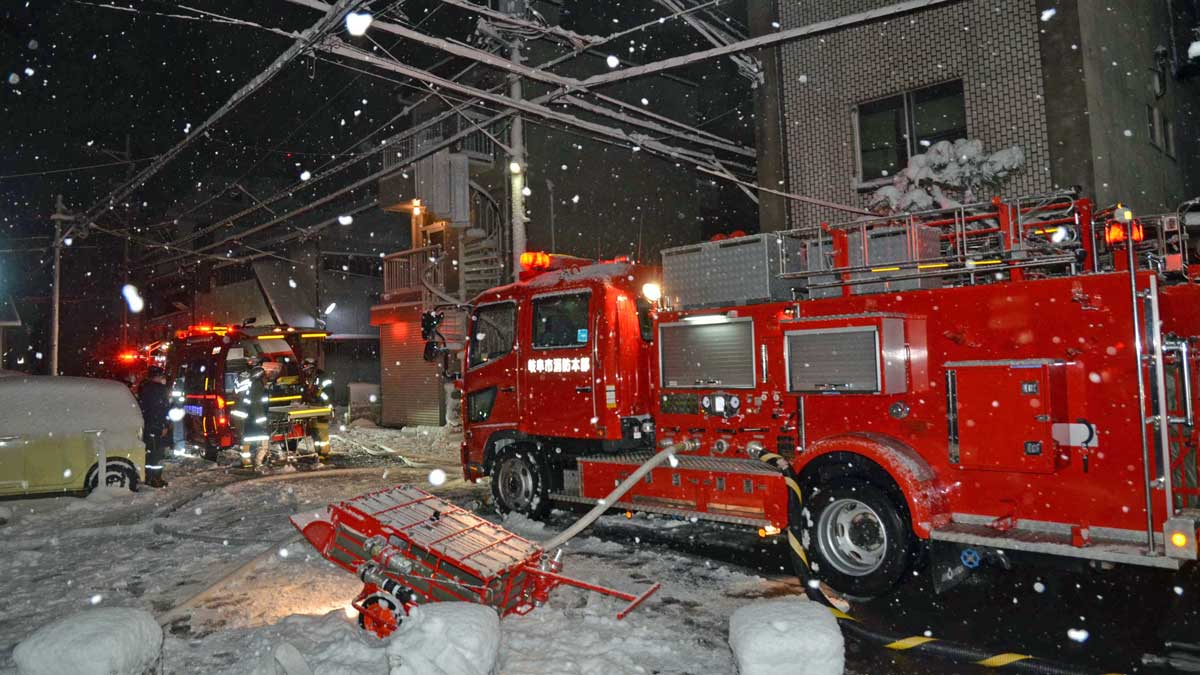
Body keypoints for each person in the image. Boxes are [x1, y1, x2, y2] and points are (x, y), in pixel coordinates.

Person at [232, 356, 272, 471]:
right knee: (261, 436)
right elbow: (256, 403)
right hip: (249, 413)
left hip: (239, 412)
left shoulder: (243, 376)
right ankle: (259, 460)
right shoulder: (256, 384)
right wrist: (262, 421)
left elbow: (237, 395)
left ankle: (246, 461)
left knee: (245, 438)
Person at [137, 366, 171, 488]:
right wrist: (164, 425)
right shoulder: (160, 390)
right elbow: (163, 409)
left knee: (149, 452)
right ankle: (156, 478)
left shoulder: (144, 388)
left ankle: (147, 476)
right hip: (157, 425)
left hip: (147, 424)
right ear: (158, 376)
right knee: (157, 454)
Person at [301, 357, 332, 459]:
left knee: (322, 430)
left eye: (307, 369)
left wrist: (318, 394)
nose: (306, 372)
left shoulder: (323, 377)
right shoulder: (308, 378)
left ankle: (324, 452)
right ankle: (318, 451)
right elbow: (306, 391)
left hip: (322, 407)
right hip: (313, 407)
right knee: (314, 431)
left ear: (312, 367)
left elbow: (329, 393)